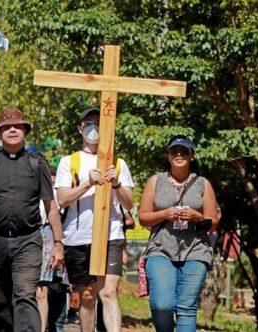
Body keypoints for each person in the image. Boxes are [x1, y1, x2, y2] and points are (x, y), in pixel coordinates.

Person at [0, 107, 64, 332]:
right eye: (6, 127)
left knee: (25, 294)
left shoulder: (37, 165)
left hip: (27, 241)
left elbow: (51, 206)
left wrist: (58, 243)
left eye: (17, 126)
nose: (12, 130)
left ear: (24, 131)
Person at [54, 107, 134, 332]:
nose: (94, 128)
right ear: (80, 128)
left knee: (108, 291)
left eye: (99, 124)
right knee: (87, 295)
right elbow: (62, 199)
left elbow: (129, 204)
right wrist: (86, 183)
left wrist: (117, 183)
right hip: (78, 237)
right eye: (89, 123)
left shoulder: (118, 163)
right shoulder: (69, 162)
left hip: (111, 236)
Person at [138, 134, 219, 332]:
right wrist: (164, 214)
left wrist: (196, 216)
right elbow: (143, 217)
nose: (179, 154)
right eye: (175, 151)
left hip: (196, 250)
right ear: (168, 156)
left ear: (192, 156)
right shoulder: (155, 181)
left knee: (187, 308)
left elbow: (213, 221)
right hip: (161, 249)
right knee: (162, 304)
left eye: (185, 151)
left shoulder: (203, 184)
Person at [36, 167, 68, 332]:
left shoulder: (52, 192)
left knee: (42, 291)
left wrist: (58, 245)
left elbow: (56, 216)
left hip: (46, 236)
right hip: (23, 237)